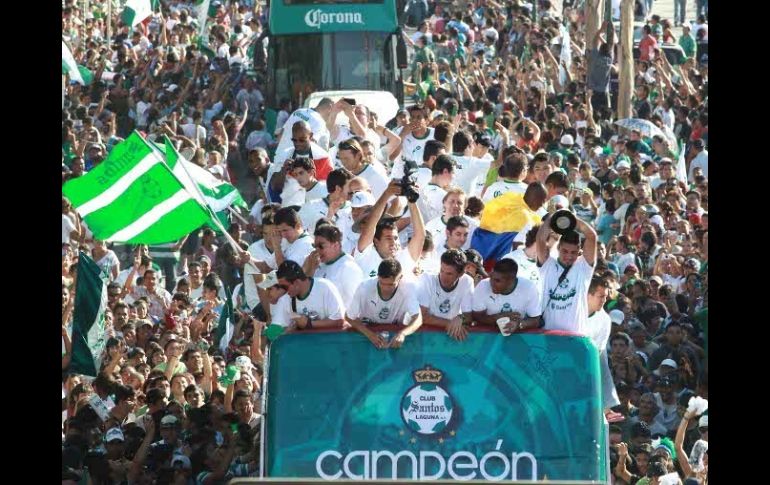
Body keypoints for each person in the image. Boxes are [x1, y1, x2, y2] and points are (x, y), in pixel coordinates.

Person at [536, 212, 598, 334]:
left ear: (579, 250)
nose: (569, 256)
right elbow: (540, 239)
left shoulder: (583, 267)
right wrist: (553, 217)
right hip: (549, 334)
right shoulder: (547, 265)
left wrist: (572, 219)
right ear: (558, 248)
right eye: (565, 251)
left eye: (573, 252)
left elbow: (592, 236)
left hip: (575, 336)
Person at [355, 181, 426, 279]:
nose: (393, 242)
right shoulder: (366, 256)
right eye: (388, 238)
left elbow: (420, 236)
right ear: (376, 241)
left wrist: (411, 201)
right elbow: (369, 229)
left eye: (396, 238)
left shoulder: (403, 259)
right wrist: (387, 194)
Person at [346, 259, 423, 348]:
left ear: (400, 277)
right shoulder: (364, 287)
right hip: (366, 337)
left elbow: (418, 319)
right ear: (378, 277)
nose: (386, 288)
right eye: (382, 283)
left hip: (393, 338)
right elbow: (349, 317)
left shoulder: (409, 288)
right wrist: (370, 335)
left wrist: (403, 334)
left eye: (391, 284)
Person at [471, 258, 542, 334]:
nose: (491, 283)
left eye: (497, 280)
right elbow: (476, 316)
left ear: (511, 281)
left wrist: (519, 325)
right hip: (488, 335)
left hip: (517, 335)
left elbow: (536, 320)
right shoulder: (483, 285)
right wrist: (497, 317)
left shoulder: (529, 287)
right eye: (491, 277)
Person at [417, 249, 474, 341]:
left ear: (461, 274)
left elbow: (468, 315)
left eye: (449, 274)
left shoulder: (467, 281)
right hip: (421, 336)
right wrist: (450, 324)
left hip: (446, 336)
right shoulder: (427, 278)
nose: (443, 277)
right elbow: (422, 317)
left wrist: (461, 318)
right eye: (442, 270)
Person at [303, 224, 364, 308]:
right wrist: (310, 269)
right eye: (315, 247)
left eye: (321, 246)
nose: (317, 250)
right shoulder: (317, 266)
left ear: (336, 245)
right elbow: (306, 295)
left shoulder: (348, 268)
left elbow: (356, 305)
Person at [275, 260, 345, 330]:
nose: (283, 291)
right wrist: (289, 330)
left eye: (284, 287)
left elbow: (340, 321)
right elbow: (277, 327)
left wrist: (309, 324)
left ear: (296, 282)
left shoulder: (325, 287)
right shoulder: (286, 298)